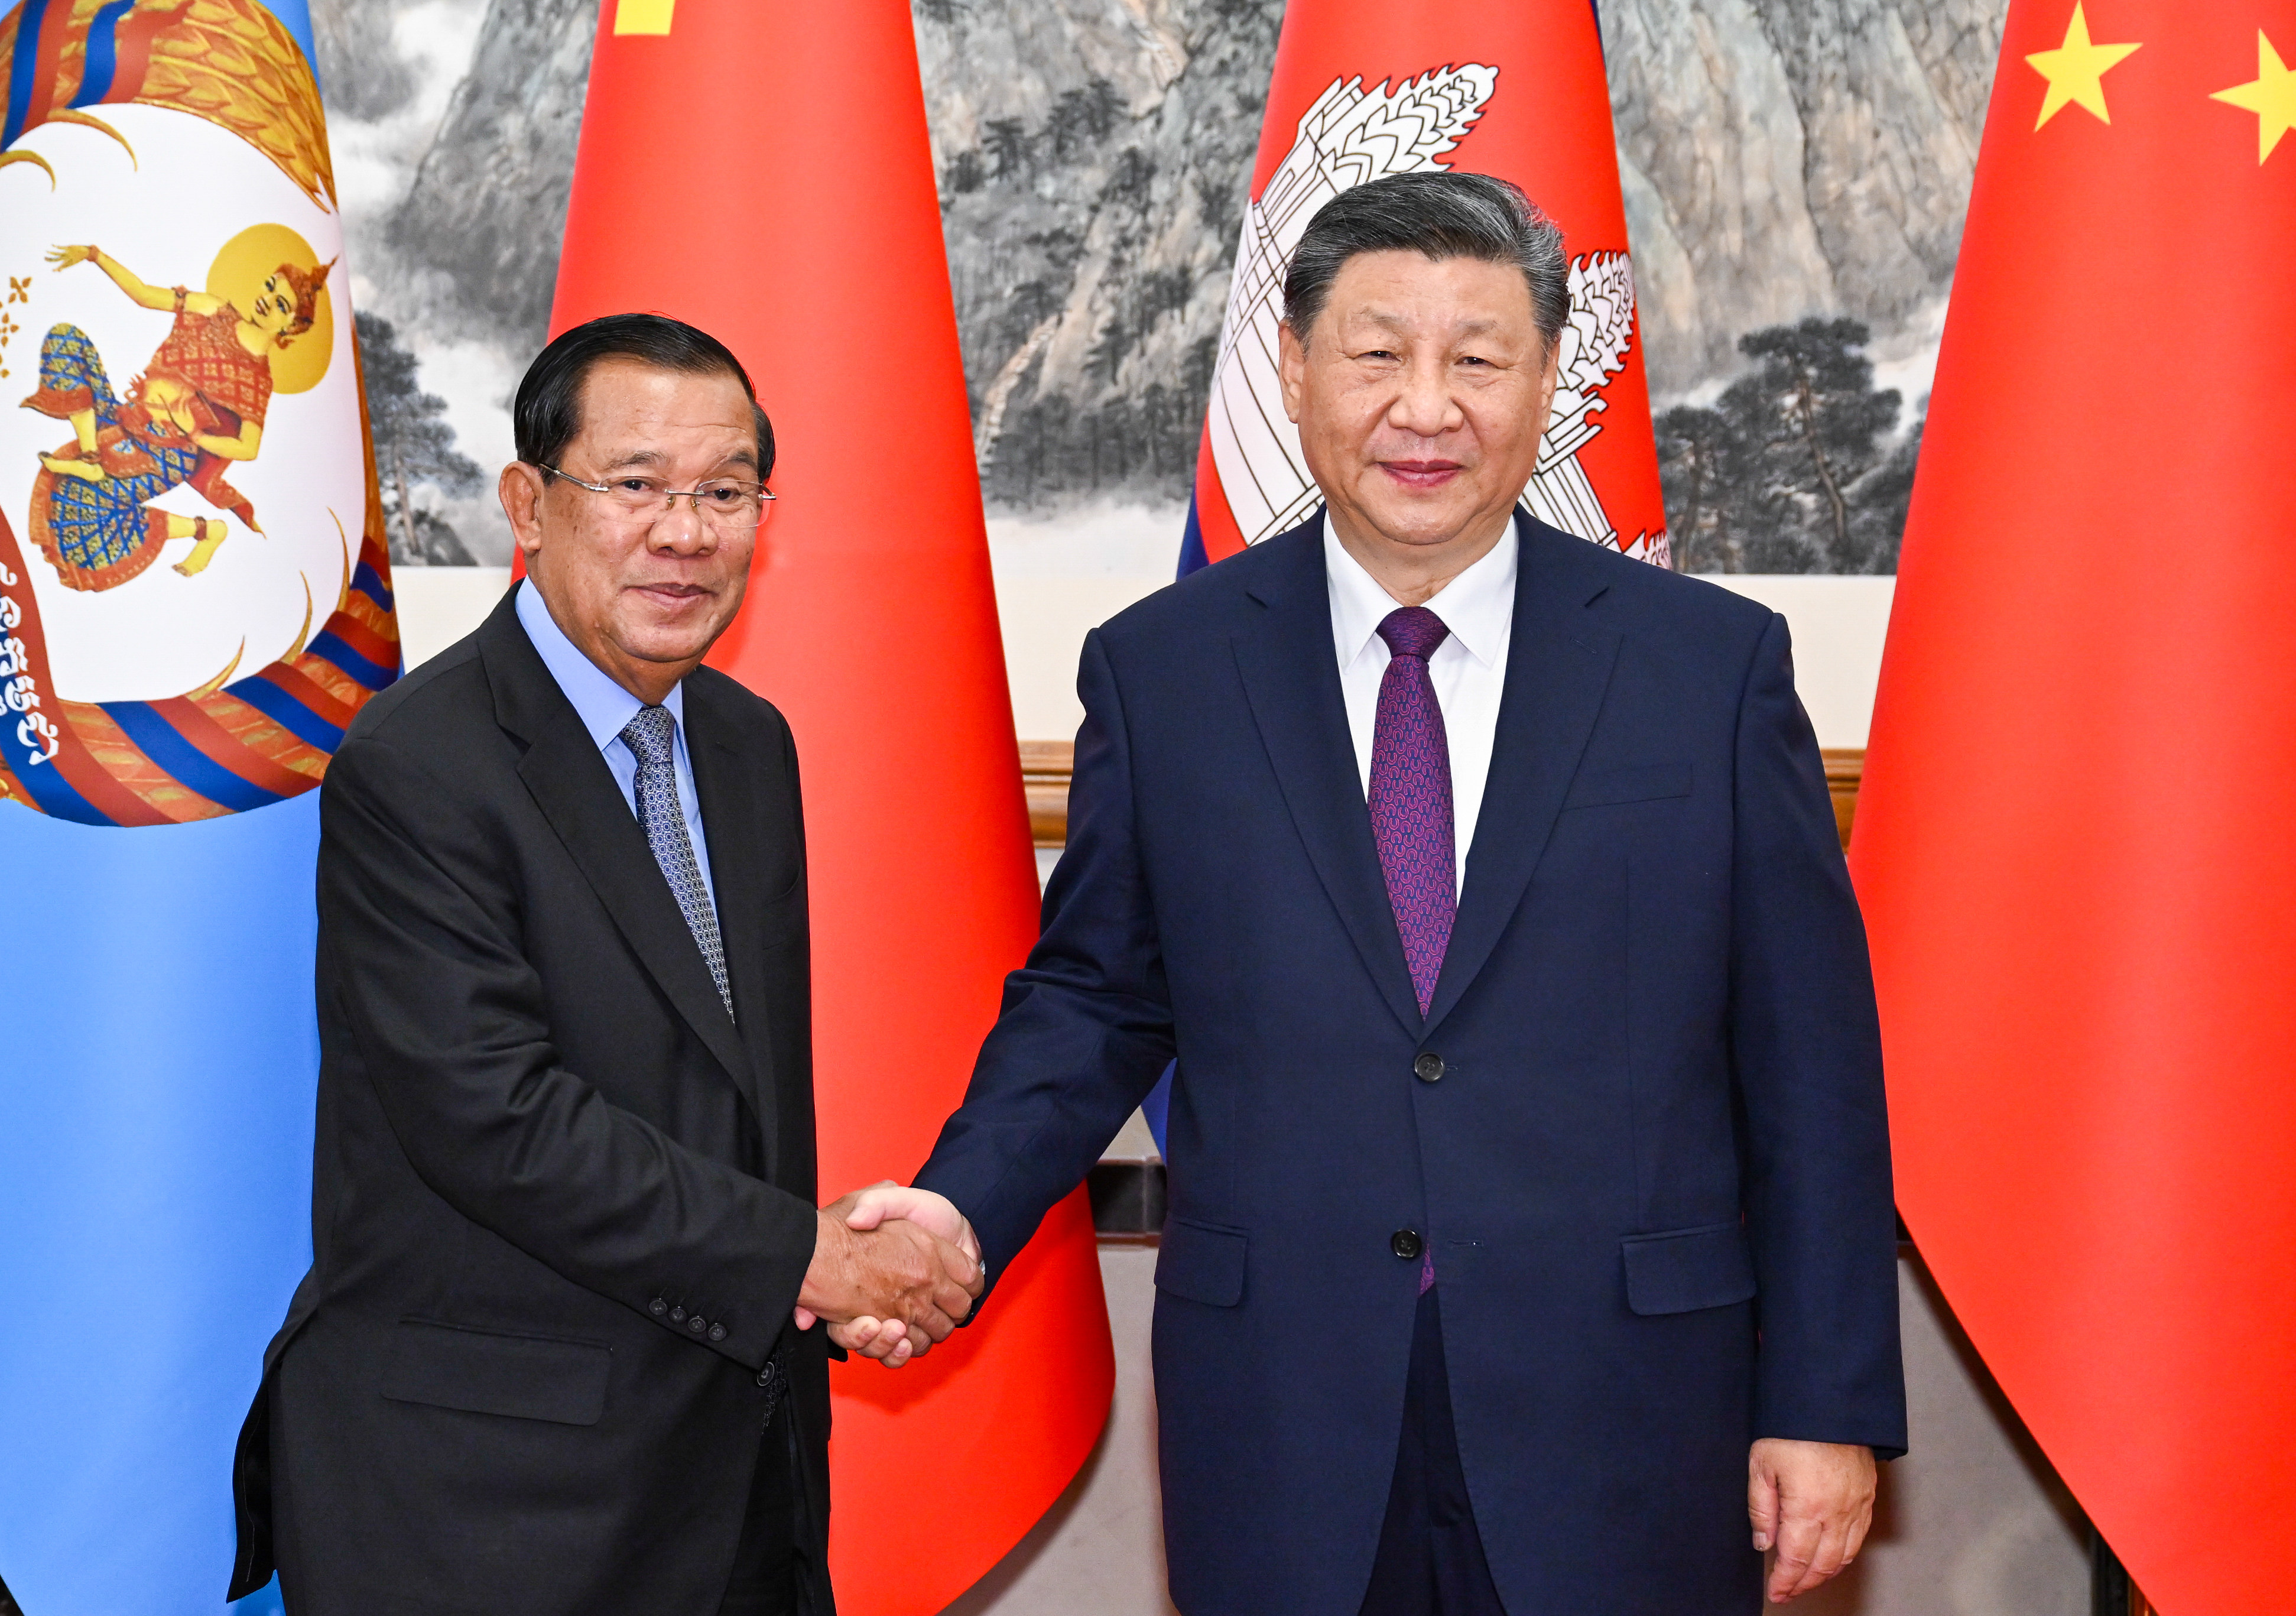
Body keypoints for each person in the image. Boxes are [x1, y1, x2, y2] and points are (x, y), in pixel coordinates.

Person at [853, 173, 1905, 1613]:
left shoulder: (1706, 670)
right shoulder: (1166, 669)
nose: (1428, 407)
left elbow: (1812, 1062)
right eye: (1376, 353)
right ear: (1293, 370)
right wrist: (958, 1212)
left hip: (1635, 1405)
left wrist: (1828, 1397)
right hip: (1286, 1404)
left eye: (1478, 357)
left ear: (1548, 379)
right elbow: (1097, 993)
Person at [226, 313, 981, 1616]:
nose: (683, 534)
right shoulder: (420, 765)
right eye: (634, 486)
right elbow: (494, 1119)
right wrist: (806, 1258)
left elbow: (727, 1098)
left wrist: (819, 1263)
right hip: (483, 1498)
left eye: (724, 492)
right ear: (528, 502)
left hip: (731, 1466)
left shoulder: (749, 745)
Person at [22, 244, 323, 587]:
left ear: (292, 327)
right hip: (127, 421)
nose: (267, 301)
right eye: (270, 286)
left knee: (83, 507)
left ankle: (207, 531)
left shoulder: (257, 379)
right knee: (65, 340)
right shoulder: (213, 308)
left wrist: (195, 437)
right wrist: (95, 256)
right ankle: (91, 456)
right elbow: (144, 295)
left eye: (281, 305)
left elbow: (248, 447)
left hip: (169, 456)